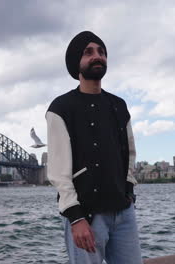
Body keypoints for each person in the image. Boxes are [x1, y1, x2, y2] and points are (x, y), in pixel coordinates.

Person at [45, 31, 142, 264]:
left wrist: (128, 190)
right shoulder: (61, 108)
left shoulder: (119, 105)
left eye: (101, 52)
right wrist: (76, 218)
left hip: (123, 212)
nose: (97, 56)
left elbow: (129, 153)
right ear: (76, 62)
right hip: (86, 216)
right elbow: (58, 172)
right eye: (88, 52)